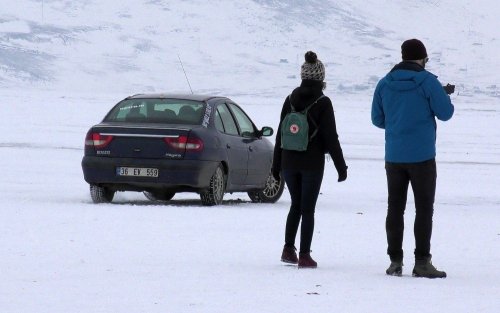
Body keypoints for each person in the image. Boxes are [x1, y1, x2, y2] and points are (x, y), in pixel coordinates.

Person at [371, 39, 454, 278]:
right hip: (422, 156)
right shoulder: (428, 82)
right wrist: (443, 96)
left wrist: (398, 124)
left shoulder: (384, 83)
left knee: (395, 208)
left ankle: (395, 261)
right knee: (424, 209)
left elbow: (377, 119)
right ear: (422, 58)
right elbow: (445, 114)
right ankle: (422, 262)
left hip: (394, 156)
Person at [272, 51, 348, 268]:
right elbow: (331, 137)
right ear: (321, 77)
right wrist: (341, 167)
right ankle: (304, 254)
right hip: (312, 163)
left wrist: (276, 166)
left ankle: (288, 249)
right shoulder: (323, 102)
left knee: (295, 205)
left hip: (288, 161)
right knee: (308, 209)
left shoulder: (290, 99)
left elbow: (280, 134)